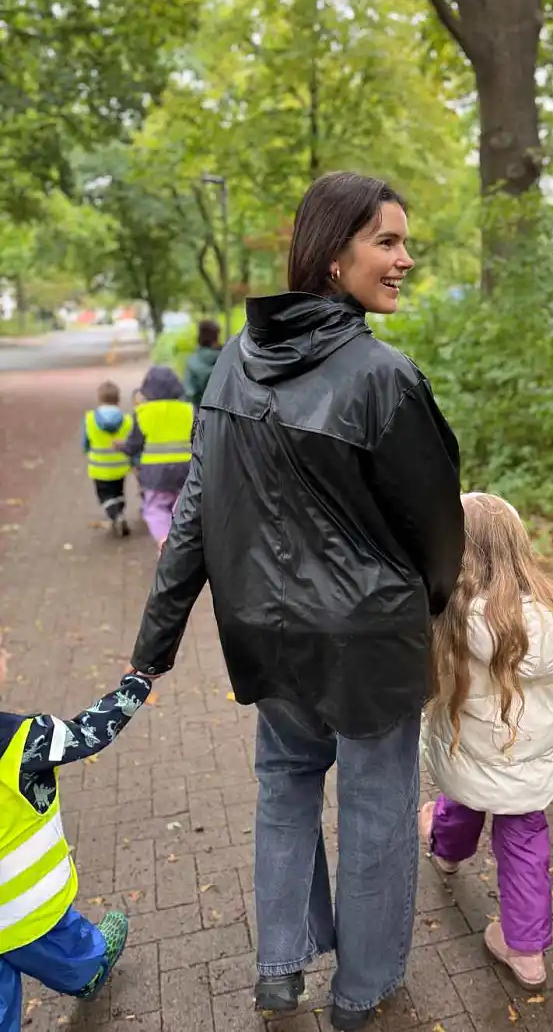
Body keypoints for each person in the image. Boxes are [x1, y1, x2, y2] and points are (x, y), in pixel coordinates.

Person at [129, 171, 465, 1031]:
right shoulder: (384, 377)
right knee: (376, 810)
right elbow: (436, 528)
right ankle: (360, 993)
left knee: (283, 789)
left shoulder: (237, 362)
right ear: (331, 257)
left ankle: (280, 969)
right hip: (366, 644)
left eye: (402, 241)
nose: (406, 258)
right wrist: (427, 604)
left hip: (266, 636)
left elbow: (197, 516)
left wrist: (154, 645)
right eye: (387, 241)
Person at [420, 493, 553, 989]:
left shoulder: (447, 614)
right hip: (529, 764)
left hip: (465, 755)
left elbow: (427, 691)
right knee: (524, 845)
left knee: (462, 801)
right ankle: (526, 952)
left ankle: (447, 852)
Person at [0, 638, 153, 1031]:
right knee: (77, 960)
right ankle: (92, 967)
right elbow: (90, 732)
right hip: (28, 916)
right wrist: (136, 684)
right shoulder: (22, 741)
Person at [120, 366, 193, 552]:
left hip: (155, 474)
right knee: (183, 507)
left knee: (155, 508)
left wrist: (123, 448)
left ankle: (164, 541)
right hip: (186, 470)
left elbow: (134, 445)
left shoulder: (143, 412)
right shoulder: (189, 410)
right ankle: (183, 544)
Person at [82, 380, 132, 538]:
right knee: (118, 491)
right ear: (117, 399)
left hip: (99, 466)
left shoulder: (90, 418)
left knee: (104, 495)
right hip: (120, 465)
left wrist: (85, 450)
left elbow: (86, 441)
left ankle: (116, 516)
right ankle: (120, 513)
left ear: (99, 399)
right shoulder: (127, 420)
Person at [183, 319, 222, 407]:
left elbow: (189, 394)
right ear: (216, 339)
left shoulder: (192, 362)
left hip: (199, 412)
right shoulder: (227, 359)